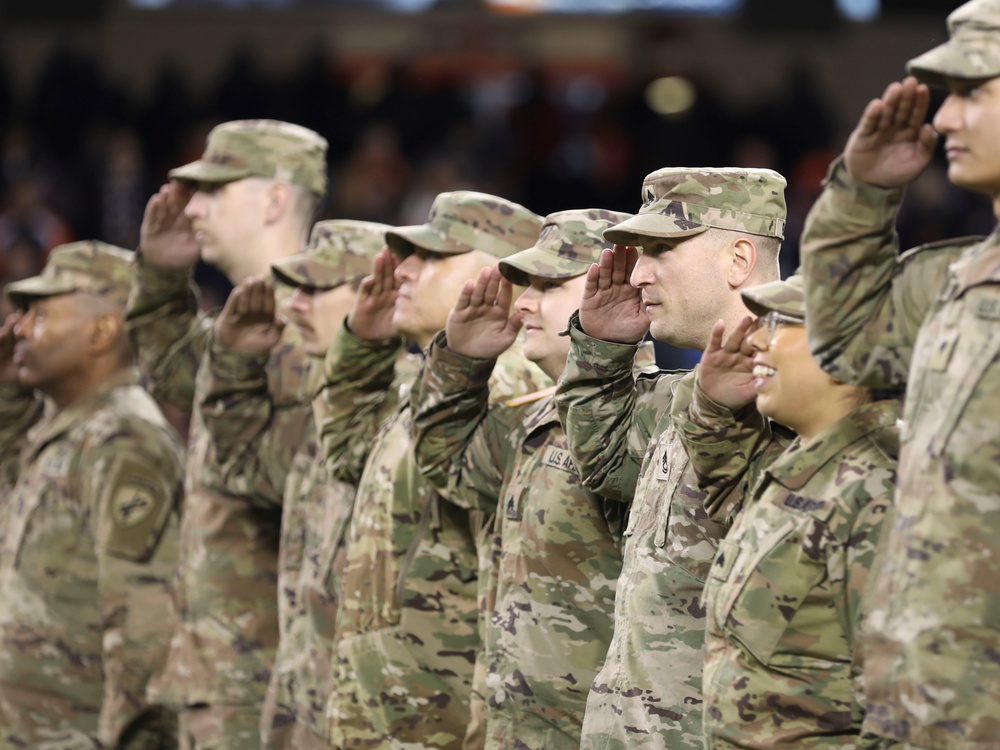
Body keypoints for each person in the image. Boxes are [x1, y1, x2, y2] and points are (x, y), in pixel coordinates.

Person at [798, 0, 1000, 745]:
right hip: (922, 704)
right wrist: (863, 190)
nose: (945, 120)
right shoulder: (962, 274)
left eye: (974, 91)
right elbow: (848, 342)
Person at [552, 167, 788, 747]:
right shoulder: (684, 391)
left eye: (660, 249)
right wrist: (604, 350)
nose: (637, 272)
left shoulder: (802, 392)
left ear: (738, 259)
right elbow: (606, 467)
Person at [411, 208, 657, 749]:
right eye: (525, 284)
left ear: (617, 287)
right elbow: (447, 465)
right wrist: (462, 363)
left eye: (548, 285)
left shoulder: (653, 419)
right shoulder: (537, 418)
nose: (522, 303)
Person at [317, 190, 551, 749]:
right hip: (391, 706)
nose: (404, 270)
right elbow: (346, 457)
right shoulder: (438, 382)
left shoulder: (505, 385)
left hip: (437, 714)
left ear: (502, 278)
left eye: (432, 258)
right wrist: (364, 347)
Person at [124, 119, 328, 749]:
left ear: (274, 199)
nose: (194, 206)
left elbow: (283, 484)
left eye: (216, 189)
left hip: (264, 669)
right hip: (225, 663)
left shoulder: (310, 330)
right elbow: (181, 380)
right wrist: (161, 274)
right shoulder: (250, 320)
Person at [676, 274, 898, 748]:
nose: (754, 340)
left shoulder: (880, 491)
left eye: (778, 324)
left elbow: (912, 709)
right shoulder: (805, 466)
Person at [196, 219, 389, 749]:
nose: (295, 305)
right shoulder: (319, 406)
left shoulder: (412, 408)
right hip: (300, 706)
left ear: (378, 293)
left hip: (371, 716)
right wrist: (234, 362)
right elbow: (244, 472)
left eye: (316, 289)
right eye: (294, 289)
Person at [0, 241, 183, 749]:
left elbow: (143, 620)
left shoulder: (124, 437)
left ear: (101, 332)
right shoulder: (71, 428)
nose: (18, 327)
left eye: (41, 315)